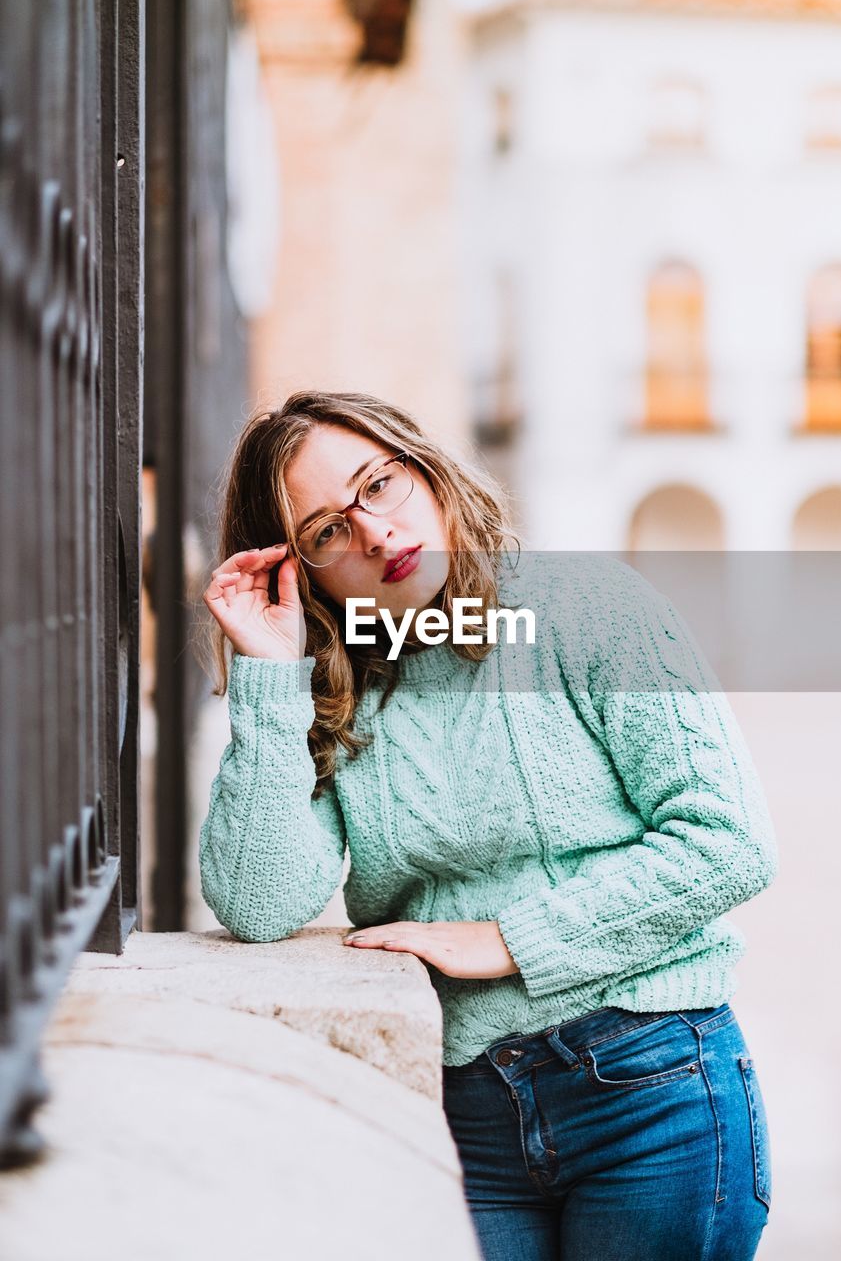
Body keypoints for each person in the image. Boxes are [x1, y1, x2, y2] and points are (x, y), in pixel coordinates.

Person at [200, 390, 777, 1261]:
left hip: (651, 1091)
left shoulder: (590, 608)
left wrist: (507, 938)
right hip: (461, 1111)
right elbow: (256, 899)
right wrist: (271, 679)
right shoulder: (341, 689)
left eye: (378, 485)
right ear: (299, 570)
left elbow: (727, 841)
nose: (376, 535)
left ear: (425, 471)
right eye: (326, 531)